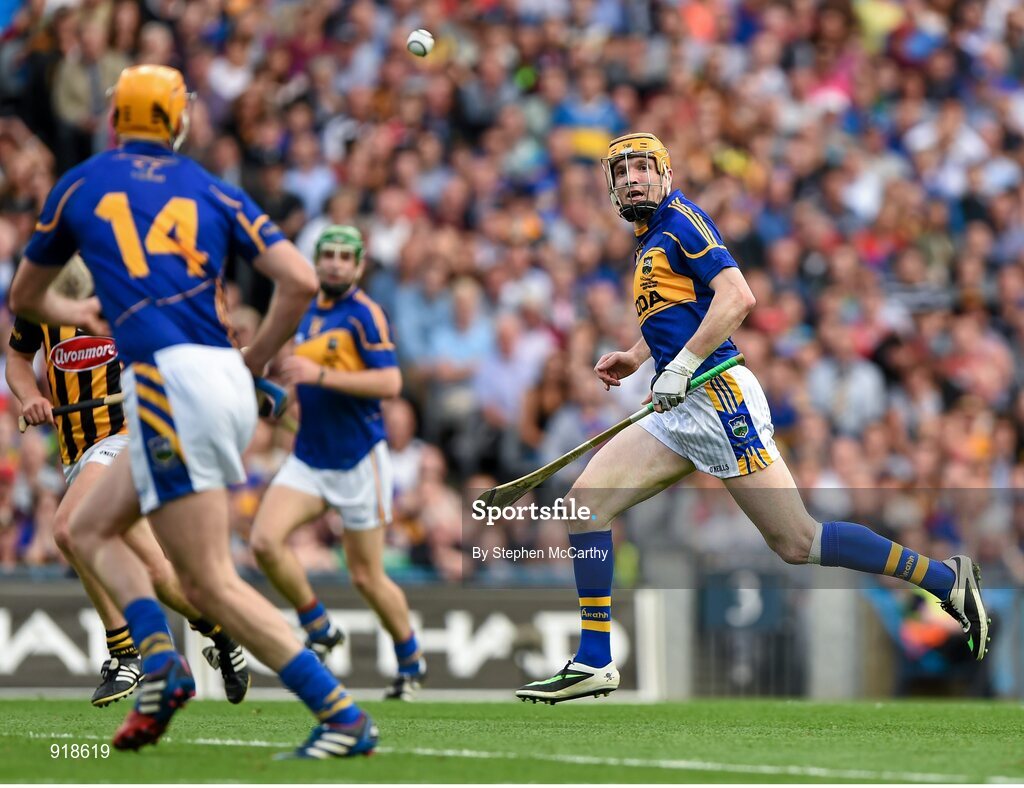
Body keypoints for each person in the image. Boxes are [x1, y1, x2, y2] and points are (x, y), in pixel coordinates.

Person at [515, 132, 990, 704]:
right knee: (586, 504)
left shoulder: (682, 220)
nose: (631, 179)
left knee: (797, 541)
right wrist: (638, 356)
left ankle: (944, 579)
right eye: (621, 174)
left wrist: (682, 365)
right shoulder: (649, 241)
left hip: (718, 398)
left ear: (664, 175)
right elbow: (678, 311)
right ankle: (594, 660)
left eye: (642, 168)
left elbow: (737, 298)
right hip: (679, 401)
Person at [8, 65, 378, 758]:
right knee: (84, 529)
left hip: (168, 386)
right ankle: (162, 659)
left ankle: (341, 714)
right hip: (215, 382)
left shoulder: (80, 184)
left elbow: (24, 301)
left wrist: (70, 309)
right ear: (179, 124)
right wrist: (257, 360)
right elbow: (298, 281)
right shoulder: (215, 188)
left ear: (114, 120)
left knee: (209, 579)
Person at [7, 257, 251, 708]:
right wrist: (31, 396)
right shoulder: (39, 292)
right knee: (157, 572)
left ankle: (125, 653)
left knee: (68, 526)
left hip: (128, 434)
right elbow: (18, 357)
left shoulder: (127, 285)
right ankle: (222, 634)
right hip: (76, 450)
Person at [250, 225, 426, 700]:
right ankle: (319, 625)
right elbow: (291, 373)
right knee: (265, 542)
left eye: (344, 257)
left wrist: (319, 375)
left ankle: (410, 660)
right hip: (309, 455)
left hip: (358, 460)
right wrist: (279, 393)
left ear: (358, 265)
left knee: (366, 576)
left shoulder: (365, 315)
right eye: (326, 254)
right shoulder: (302, 308)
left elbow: (390, 384)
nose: (333, 263)